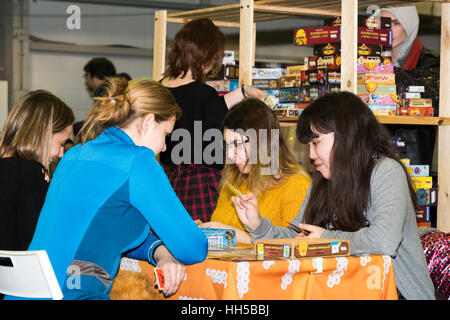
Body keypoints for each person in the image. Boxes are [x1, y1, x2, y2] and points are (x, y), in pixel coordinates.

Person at [6, 77, 208, 300]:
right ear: (148, 122)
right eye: (166, 134)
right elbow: (193, 249)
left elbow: (100, 232)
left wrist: (159, 251)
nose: (164, 146)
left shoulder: (74, 155)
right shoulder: (138, 161)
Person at [234, 92, 435, 300]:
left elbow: (383, 242)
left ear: (345, 135)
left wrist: (326, 239)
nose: (311, 155)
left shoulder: (386, 171)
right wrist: (258, 225)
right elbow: (299, 239)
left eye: (315, 143)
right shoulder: (321, 180)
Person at [159, 18, 266, 222]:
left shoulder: (161, 88)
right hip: (201, 183)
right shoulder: (202, 93)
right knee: (206, 241)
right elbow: (210, 110)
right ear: (206, 56)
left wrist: (242, 92)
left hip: (169, 179)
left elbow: (205, 106)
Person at [198, 98, 311, 243]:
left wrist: (223, 232)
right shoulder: (233, 181)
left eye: (237, 144)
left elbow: (295, 246)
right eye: (227, 145)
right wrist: (206, 230)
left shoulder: (296, 185)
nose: (229, 155)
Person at [0, 90, 74, 251]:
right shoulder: (32, 172)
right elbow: (36, 243)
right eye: (61, 144)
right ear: (43, 136)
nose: (61, 154)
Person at [381, 6, 439, 167]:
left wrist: (375, 71)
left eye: (396, 23)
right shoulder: (368, 57)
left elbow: (431, 96)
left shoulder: (431, 61)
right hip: (374, 157)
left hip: (414, 164)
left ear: (410, 26)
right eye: (384, 23)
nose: (389, 29)